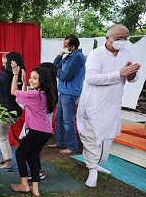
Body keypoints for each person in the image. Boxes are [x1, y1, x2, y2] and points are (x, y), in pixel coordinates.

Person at [77, 24, 141, 187]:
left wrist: (132, 74)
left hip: (112, 104)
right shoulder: (96, 55)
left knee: (106, 137)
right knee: (91, 137)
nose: (123, 41)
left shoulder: (127, 52)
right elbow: (91, 78)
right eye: (119, 38)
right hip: (94, 104)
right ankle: (92, 168)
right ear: (108, 38)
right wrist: (119, 74)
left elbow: (131, 78)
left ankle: (96, 163)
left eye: (126, 38)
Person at [10, 61, 57, 196]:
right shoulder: (44, 93)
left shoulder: (35, 95)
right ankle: (35, 188)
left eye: (35, 78)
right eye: (31, 77)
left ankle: (24, 185)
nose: (32, 80)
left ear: (43, 80)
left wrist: (15, 74)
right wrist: (25, 82)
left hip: (37, 131)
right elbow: (24, 100)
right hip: (45, 131)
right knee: (32, 155)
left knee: (20, 154)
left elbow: (14, 92)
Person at [47, 35, 86, 154]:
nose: (63, 47)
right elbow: (54, 66)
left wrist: (57, 71)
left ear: (73, 46)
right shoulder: (69, 56)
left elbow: (65, 76)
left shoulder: (78, 57)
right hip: (64, 91)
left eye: (65, 45)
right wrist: (60, 55)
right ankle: (60, 142)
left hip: (70, 93)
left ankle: (72, 146)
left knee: (68, 120)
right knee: (58, 118)